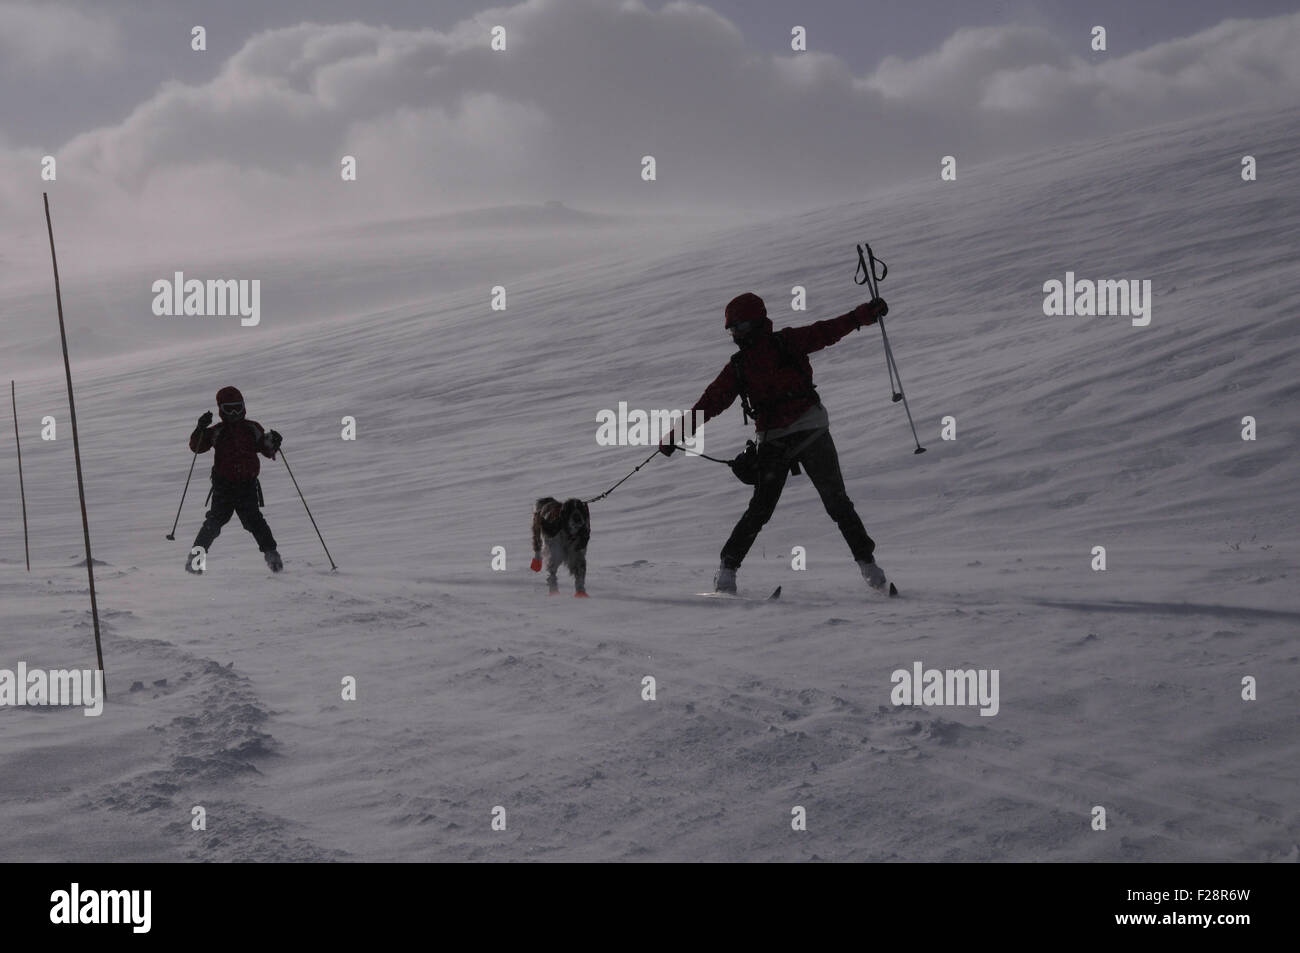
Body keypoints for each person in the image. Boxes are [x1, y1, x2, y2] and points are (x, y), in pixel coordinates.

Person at [660, 292, 891, 594]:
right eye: (731, 330)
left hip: (779, 440)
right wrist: (865, 315)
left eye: (738, 328)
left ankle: (727, 573)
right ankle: (869, 568)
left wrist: (862, 316)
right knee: (836, 503)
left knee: (763, 509)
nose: (734, 336)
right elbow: (711, 401)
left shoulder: (749, 361)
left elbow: (829, 330)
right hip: (810, 432)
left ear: (755, 323)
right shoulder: (778, 347)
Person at [186, 386, 284, 573]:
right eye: (229, 408)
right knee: (214, 523)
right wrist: (200, 429)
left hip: (247, 486)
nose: (234, 413)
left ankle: (272, 556)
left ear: (244, 407)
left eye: (238, 408)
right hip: (224, 486)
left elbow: (265, 449)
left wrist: (273, 443)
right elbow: (197, 447)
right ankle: (195, 559)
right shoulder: (217, 431)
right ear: (221, 410)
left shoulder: (252, 428)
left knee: (254, 521)